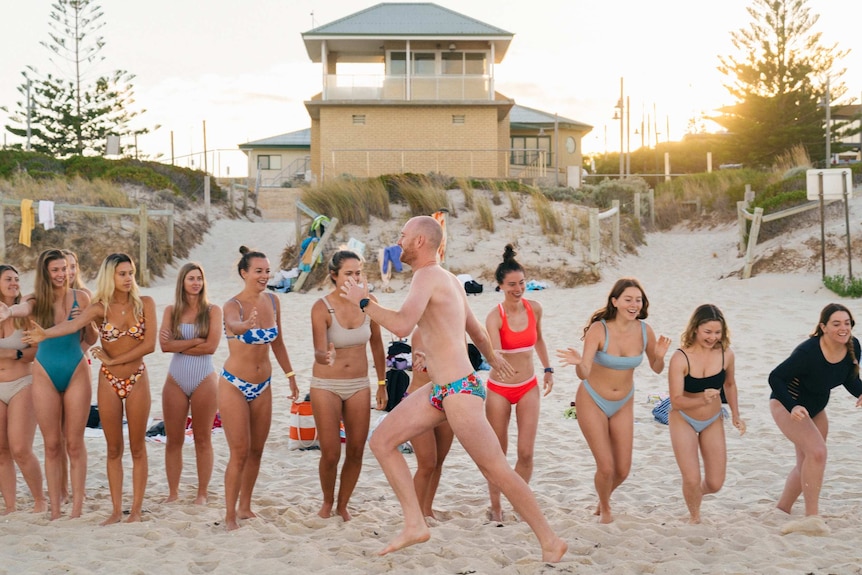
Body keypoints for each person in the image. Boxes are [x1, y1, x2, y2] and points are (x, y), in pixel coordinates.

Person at [340, 215, 567, 562]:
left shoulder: (428, 276)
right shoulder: (447, 279)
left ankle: (550, 540)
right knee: (382, 442)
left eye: (403, 236)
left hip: (459, 390)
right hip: (441, 389)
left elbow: (401, 325)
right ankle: (414, 522)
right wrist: (493, 357)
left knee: (496, 469)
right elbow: (475, 330)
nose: (398, 242)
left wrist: (364, 301)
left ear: (419, 241)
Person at [24, 253, 157, 525]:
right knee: (113, 449)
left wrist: (113, 359)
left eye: (130, 272)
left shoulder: (146, 304)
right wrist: (45, 333)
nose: (128, 278)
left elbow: (149, 346)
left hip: (137, 378)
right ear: (110, 277)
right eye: (122, 273)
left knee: (138, 447)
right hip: (108, 382)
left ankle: (135, 511)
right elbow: (73, 325)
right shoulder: (99, 308)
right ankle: (115, 510)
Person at [557, 277, 671, 523]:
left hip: (624, 402)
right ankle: (606, 508)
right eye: (628, 299)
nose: (634, 305)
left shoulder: (644, 330)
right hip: (592, 399)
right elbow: (584, 372)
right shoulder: (600, 329)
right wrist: (579, 362)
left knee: (623, 470)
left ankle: (602, 498)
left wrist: (660, 356)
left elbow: (657, 368)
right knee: (606, 466)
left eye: (638, 300)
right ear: (615, 301)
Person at [0, 249, 96, 520]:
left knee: (74, 443)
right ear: (45, 272)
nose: (62, 274)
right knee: (52, 444)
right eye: (55, 269)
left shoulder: (82, 297)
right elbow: (23, 308)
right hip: (44, 372)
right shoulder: (35, 300)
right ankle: (54, 510)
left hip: (76, 369)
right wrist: (9, 311)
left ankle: (76, 508)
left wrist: (89, 324)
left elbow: (91, 335)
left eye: (65, 268)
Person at [220, 246, 298, 530]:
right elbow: (233, 325)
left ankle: (245, 506)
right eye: (258, 271)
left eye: (267, 271)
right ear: (244, 273)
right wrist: (245, 325)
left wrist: (290, 375)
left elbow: (277, 341)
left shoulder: (274, 302)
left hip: (263, 385)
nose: (264, 276)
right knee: (239, 451)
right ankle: (229, 515)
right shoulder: (233, 305)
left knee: (256, 450)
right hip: (233, 385)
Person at [768, 303, 862, 532]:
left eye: (847, 323)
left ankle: (782, 509)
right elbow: (775, 377)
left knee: (808, 463)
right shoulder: (808, 352)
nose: (843, 328)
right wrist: (792, 406)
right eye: (836, 324)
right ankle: (812, 517)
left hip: (817, 409)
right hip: (787, 404)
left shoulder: (853, 346)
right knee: (817, 453)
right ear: (823, 327)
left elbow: (847, 377)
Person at [310, 250, 386, 521]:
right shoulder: (321, 307)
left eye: (358, 273)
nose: (354, 279)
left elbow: (377, 344)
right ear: (334, 275)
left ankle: (343, 505)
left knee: (356, 449)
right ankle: (327, 502)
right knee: (330, 452)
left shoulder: (369, 302)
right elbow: (319, 350)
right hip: (326, 385)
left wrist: (381, 383)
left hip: (359, 384)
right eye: (348, 274)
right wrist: (324, 356)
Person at [484, 244, 554, 522]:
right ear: (500, 286)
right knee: (496, 453)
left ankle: (518, 502)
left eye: (522, 282)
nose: (518, 288)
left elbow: (539, 339)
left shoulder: (535, 308)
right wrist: (495, 357)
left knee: (525, 452)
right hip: (499, 390)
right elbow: (495, 353)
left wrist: (548, 368)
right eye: (512, 284)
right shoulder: (494, 316)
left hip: (528, 386)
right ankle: (496, 506)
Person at [667, 304, 745, 524]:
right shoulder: (680, 358)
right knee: (692, 478)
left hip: (712, 420)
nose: (713, 337)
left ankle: (694, 494)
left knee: (714, 483)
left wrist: (736, 414)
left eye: (717, 332)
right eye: (707, 332)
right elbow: (676, 401)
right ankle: (695, 517)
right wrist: (702, 398)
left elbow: (729, 385)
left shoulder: (726, 355)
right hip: (683, 419)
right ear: (695, 329)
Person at [159, 262, 222, 505]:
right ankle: (173, 493)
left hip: (204, 378)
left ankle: (202, 494)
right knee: (173, 440)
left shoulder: (212, 311)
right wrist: (196, 339)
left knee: (202, 438)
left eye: (199, 278)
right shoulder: (171, 311)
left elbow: (211, 347)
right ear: (182, 282)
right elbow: (164, 347)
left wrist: (179, 343)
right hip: (175, 379)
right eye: (191, 278)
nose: (196, 282)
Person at [0, 264, 45, 514]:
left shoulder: (25, 312)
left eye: (17, 279)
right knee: (1, 450)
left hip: (22, 385)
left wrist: (12, 352)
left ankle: (40, 500)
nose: (14, 283)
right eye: (8, 279)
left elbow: (36, 351)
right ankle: (10, 505)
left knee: (20, 448)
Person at [407, 327, 454, 520]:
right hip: (420, 399)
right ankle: (415, 515)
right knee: (426, 462)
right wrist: (423, 359)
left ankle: (427, 509)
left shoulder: (457, 330)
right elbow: (421, 360)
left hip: (448, 399)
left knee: (438, 461)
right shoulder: (420, 332)